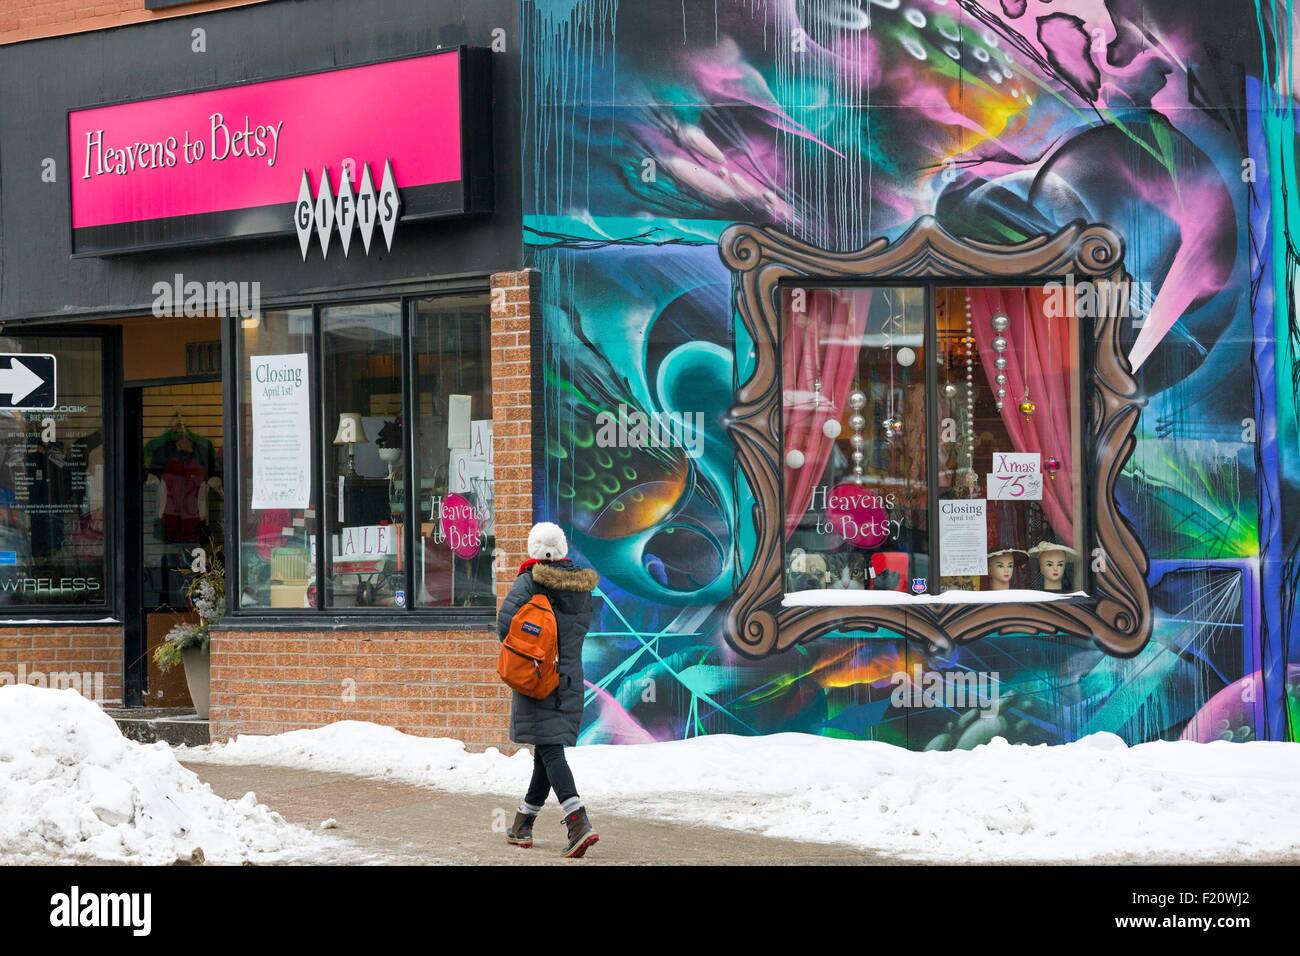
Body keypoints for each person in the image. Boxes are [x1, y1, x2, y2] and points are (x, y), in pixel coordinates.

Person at [499, 521, 600, 857]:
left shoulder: (530, 582)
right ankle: (521, 825)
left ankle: (577, 821)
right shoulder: (581, 588)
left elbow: (505, 625)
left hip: (539, 679)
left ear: (533, 549)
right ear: (563, 550)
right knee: (546, 749)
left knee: (551, 750)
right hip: (569, 680)